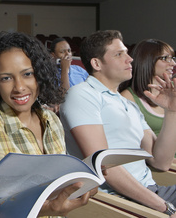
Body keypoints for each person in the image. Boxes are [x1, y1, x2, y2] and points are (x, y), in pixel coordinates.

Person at [0, 32, 94, 217]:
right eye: (6, 78)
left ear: (40, 75)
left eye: (27, 74)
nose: (19, 87)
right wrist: (40, 209)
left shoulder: (52, 121)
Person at [60, 30, 176, 216]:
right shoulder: (82, 95)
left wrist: (172, 111)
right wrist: (164, 207)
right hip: (122, 199)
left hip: (151, 190)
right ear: (96, 63)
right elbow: (104, 165)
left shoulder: (125, 103)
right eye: (119, 54)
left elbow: (160, 162)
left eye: (127, 53)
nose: (129, 59)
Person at [120, 39, 176, 136]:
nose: (173, 64)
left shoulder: (174, 88)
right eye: (164, 58)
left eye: (172, 58)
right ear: (146, 60)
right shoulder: (128, 97)